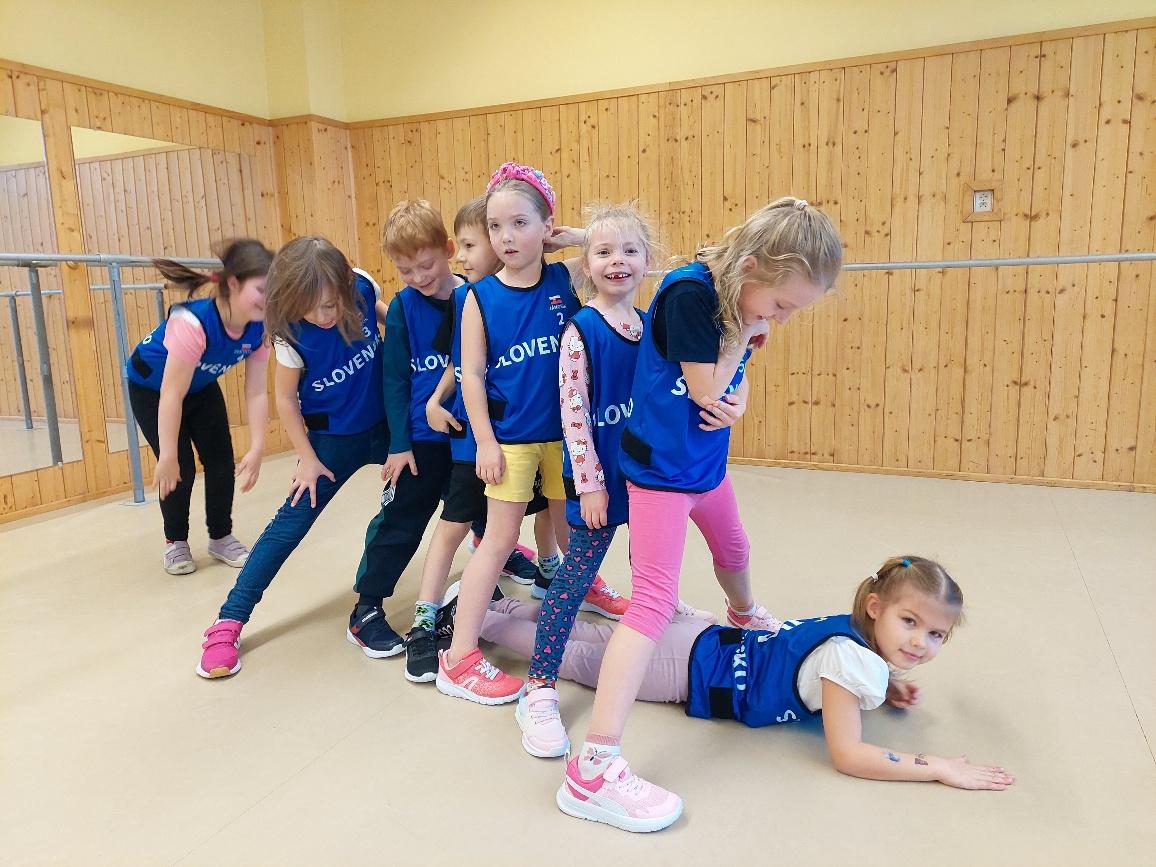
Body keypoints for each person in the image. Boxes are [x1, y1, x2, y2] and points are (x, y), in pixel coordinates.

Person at [562, 197, 844, 831]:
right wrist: (741, 347)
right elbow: (707, 387)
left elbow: (729, 388)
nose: (780, 319)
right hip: (661, 476)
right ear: (750, 267)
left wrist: (740, 396)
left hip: (704, 466)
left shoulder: (742, 297)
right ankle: (592, 769)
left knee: (734, 550)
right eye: (781, 304)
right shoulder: (692, 296)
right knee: (652, 605)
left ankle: (743, 612)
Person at [473, 556, 1014, 826]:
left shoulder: (853, 633)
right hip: (685, 668)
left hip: (701, 638)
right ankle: (478, 621)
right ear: (876, 608)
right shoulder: (851, 661)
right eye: (909, 622)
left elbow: (827, 669)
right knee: (578, 656)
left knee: (590, 638)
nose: (919, 642)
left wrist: (887, 688)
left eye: (936, 634)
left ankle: (491, 605)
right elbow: (849, 754)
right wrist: (936, 766)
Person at [437, 163, 624, 705]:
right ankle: (459, 658)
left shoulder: (564, 280)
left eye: (520, 223)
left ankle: (586, 586)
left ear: (547, 226)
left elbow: (618, 254)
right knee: (498, 541)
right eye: (495, 227)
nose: (506, 237)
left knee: (572, 530)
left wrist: (576, 237)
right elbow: (471, 375)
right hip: (511, 441)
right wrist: (485, 442)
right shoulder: (477, 297)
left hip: (565, 438)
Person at [196, 237, 390, 678]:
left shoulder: (360, 286)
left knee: (446, 476)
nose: (325, 316)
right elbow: (285, 400)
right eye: (313, 309)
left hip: (386, 426)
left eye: (332, 304)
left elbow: (393, 323)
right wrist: (306, 458)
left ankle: (487, 540)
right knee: (289, 524)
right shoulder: (289, 333)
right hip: (331, 441)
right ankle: (228, 621)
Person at [515, 202, 655, 757]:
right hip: (598, 479)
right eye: (603, 252)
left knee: (650, 563)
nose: (617, 261)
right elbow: (574, 415)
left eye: (630, 251)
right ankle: (539, 686)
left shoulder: (650, 324)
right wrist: (590, 483)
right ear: (585, 264)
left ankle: (652, 620)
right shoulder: (582, 331)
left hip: (645, 477)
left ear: (647, 260)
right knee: (574, 579)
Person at [126, 239, 273, 575]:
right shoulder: (193, 324)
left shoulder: (261, 326)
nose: (269, 299)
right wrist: (166, 455)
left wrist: (257, 446)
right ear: (233, 284)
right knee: (180, 467)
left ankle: (220, 536)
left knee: (221, 461)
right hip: (153, 387)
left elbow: (256, 392)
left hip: (199, 384)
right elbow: (171, 393)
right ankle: (175, 542)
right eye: (261, 289)